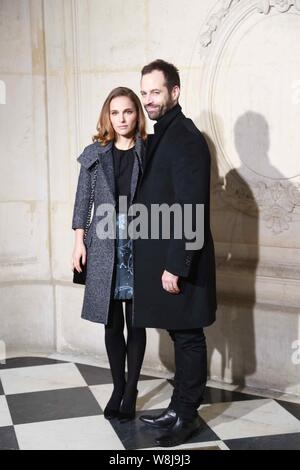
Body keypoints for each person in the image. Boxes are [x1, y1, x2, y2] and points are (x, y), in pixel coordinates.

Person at [132, 60, 217, 447]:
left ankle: (187, 416)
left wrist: (175, 265)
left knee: (188, 336)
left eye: (156, 91)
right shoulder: (163, 134)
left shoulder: (184, 137)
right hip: (168, 258)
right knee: (181, 333)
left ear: (175, 92)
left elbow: (190, 207)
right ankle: (177, 407)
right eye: (145, 91)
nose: (149, 99)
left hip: (181, 261)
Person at [71, 87, 147, 422]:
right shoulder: (94, 153)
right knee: (111, 320)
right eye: (115, 113)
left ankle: (131, 390)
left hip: (141, 240)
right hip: (103, 242)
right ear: (107, 116)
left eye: (128, 112)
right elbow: (82, 201)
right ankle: (118, 387)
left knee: (137, 320)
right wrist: (79, 240)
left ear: (137, 114)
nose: (121, 119)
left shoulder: (149, 150)